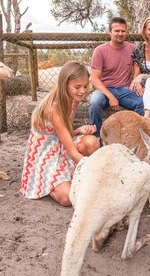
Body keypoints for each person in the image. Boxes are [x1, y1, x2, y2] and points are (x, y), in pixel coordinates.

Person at [20, 61, 100, 206]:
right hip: (45, 153)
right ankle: (46, 181)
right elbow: (73, 152)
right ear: (65, 84)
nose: (82, 91)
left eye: (85, 86)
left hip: (61, 144)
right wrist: (98, 173)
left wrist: (78, 130)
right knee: (67, 198)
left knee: (92, 142)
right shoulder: (53, 108)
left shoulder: (72, 99)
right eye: (77, 87)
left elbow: (65, 132)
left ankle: (68, 178)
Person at [88, 17, 144, 137]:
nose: (120, 33)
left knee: (143, 102)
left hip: (124, 89)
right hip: (104, 89)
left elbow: (136, 68)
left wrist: (135, 83)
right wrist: (110, 96)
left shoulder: (132, 49)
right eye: (116, 31)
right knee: (94, 103)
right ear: (110, 32)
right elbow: (94, 78)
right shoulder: (100, 51)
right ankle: (97, 137)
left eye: (123, 31)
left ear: (126, 32)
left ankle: (131, 135)